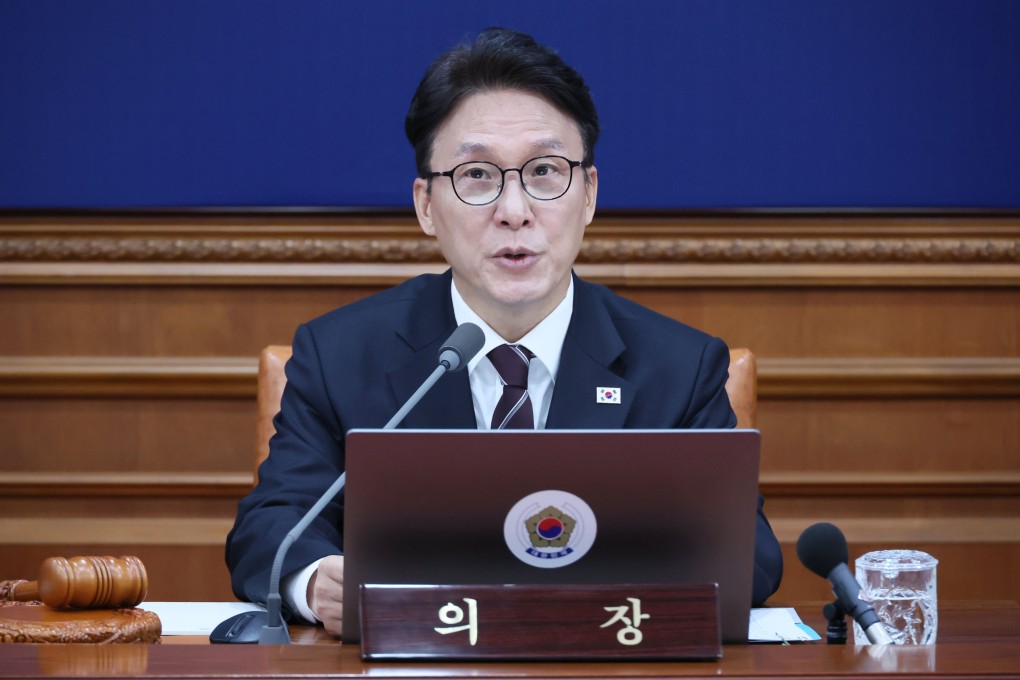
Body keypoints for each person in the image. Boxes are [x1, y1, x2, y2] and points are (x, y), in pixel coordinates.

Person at [226, 27, 783, 638]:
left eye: (545, 171)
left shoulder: (680, 365)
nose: (515, 210)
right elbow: (272, 525)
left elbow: (750, 557)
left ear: (590, 195)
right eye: (478, 175)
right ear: (426, 206)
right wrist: (314, 582)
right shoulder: (339, 354)